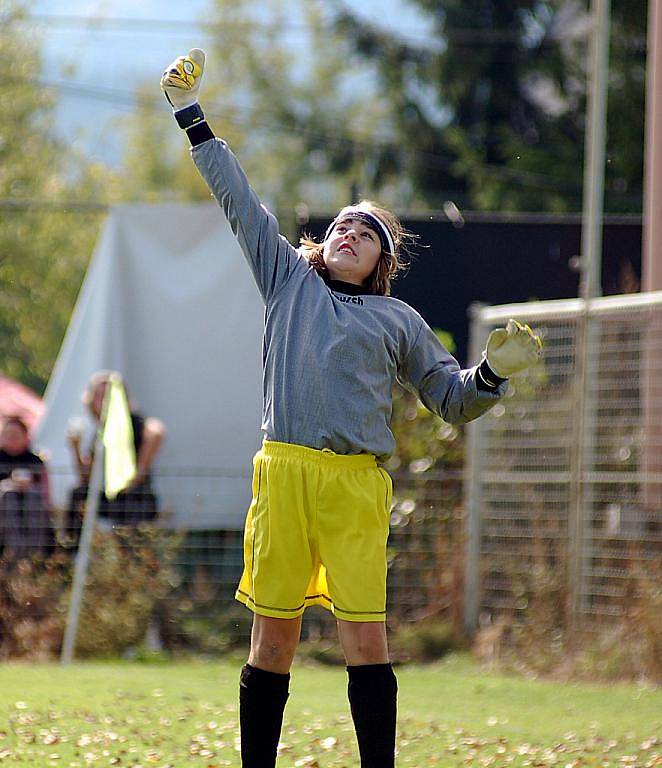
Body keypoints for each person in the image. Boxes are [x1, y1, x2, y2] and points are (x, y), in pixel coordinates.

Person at [161, 49, 543, 768]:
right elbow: (239, 200)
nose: (348, 234)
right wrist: (191, 115)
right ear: (322, 241)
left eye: (365, 233)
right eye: (341, 225)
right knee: (272, 640)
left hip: (356, 488)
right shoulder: (285, 281)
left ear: (381, 263)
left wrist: (491, 372)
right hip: (284, 477)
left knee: (365, 641)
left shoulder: (399, 321)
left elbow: (452, 403)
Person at [66, 371, 166, 541]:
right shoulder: (98, 433)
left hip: (135, 496)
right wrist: (75, 449)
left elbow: (156, 430)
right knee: (78, 494)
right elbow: (86, 478)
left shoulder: (133, 423)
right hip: (110, 497)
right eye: (100, 396)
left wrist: (137, 472)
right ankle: (72, 553)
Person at [0, 416, 55, 559]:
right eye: (8, 435)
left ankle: (33, 555)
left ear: (26, 436)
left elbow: (46, 494)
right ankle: (15, 553)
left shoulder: (35, 461)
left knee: (33, 496)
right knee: (8, 495)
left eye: (15, 435)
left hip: (31, 514)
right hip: (4, 514)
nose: (11, 439)